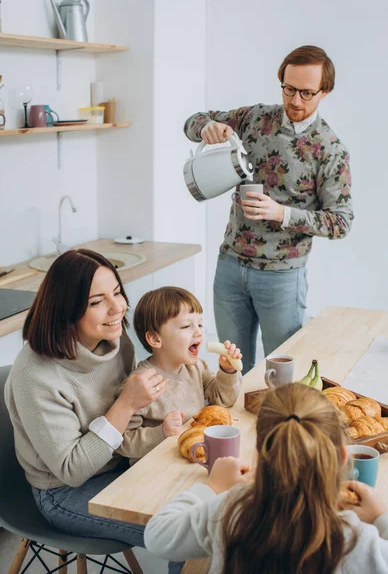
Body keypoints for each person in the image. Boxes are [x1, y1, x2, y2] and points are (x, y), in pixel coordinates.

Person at [4, 249, 183, 574]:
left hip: (119, 462)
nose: (118, 307)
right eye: (97, 301)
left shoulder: (115, 339)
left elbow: (132, 423)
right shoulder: (37, 376)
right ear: (66, 309)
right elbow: (71, 471)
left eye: (117, 292)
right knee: (187, 531)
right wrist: (126, 402)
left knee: (208, 501)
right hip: (62, 492)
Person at [184, 45, 354, 374]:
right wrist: (205, 127)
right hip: (230, 267)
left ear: (325, 92)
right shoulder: (255, 118)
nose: (295, 101)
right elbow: (192, 122)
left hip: (283, 277)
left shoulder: (330, 149)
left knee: (280, 376)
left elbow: (341, 222)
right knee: (232, 369)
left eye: (307, 92)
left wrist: (282, 214)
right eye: (289, 89)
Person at [144, 383, 388, 573]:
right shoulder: (353, 539)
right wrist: (382, 518)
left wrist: (212, 486)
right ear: (343, 456)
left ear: (261, 452)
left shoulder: (231, 509)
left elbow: (158, 537)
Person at [116, 286, 242, 461]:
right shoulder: (141, 384)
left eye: (200, 324)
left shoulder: (196, 367)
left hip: (194, 455)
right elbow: (122, 442)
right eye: (186, 326)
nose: (198, 331)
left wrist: (228, 370)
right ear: (155, 339)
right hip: (158, 466)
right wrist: (161, 432)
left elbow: (223, 400)